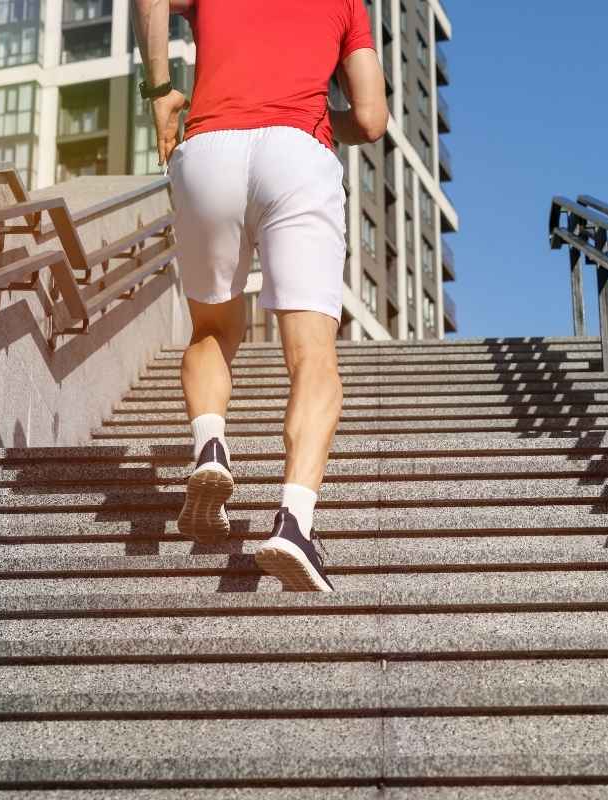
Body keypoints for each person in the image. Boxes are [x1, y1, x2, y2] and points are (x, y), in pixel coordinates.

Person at [132, 0, 388, 592]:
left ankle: (210, 445)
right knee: (313, 357)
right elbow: (372, 120)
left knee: (212, 331)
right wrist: (325, 116)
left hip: (209, 149)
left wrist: (162, 91)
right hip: (297, 153)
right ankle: (293, 524)